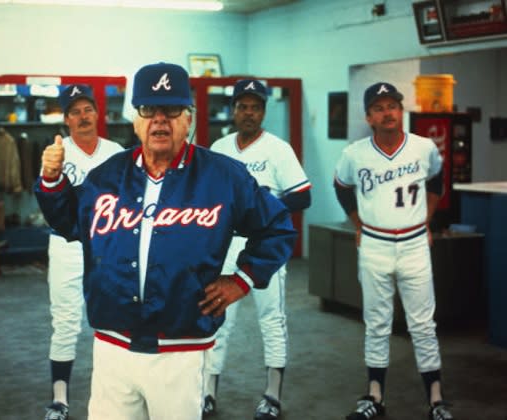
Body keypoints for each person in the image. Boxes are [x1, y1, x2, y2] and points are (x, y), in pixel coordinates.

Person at [34, 62, 296, 420]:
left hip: (181, 348)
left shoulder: (223, 175)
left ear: (189, 118)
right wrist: (51, 180)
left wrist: (242, 279)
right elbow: (68, 222)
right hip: (112, 346)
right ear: (136, 120)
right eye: (148, 110)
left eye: (171, 110)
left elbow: (278, 225)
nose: (160, 120)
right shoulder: (107, 176)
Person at [334, 82, 454, 420]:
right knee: (376, 323)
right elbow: (342, 189)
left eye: (393, 106)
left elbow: (437, 182)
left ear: (401, 111)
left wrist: (427, 220)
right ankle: (374, 396)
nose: (388, 113)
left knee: (423, 324)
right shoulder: (354, 153)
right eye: (380, 107)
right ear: (369, 116)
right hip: (374, 243)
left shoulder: (423, 147)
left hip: (415, 242)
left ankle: (435, 399)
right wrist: (358, 224)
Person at [204, 79, 311, 420]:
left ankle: (272, 396)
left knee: (272, 319)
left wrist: (262, 205)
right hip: (226, 243)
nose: (248, 112)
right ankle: (207, 392)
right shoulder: (219, 148)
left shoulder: (278, 149)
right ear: (233, 110)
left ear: (263, 111)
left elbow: (303, 195)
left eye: (255, 107)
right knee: (218, 318)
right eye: (242, 106)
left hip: (264, 243)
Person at [42, 84, 123, 420]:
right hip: (66, 246)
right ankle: (60, 398)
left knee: (114, 319)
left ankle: (117, 393)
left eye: (87, 109)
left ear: (97, 113)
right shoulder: (56, 154)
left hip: (107, 246)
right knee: (65, 322)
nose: (83, 116)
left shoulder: (116, 152)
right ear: (66, 119)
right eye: (75, 111)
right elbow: (48, 206)